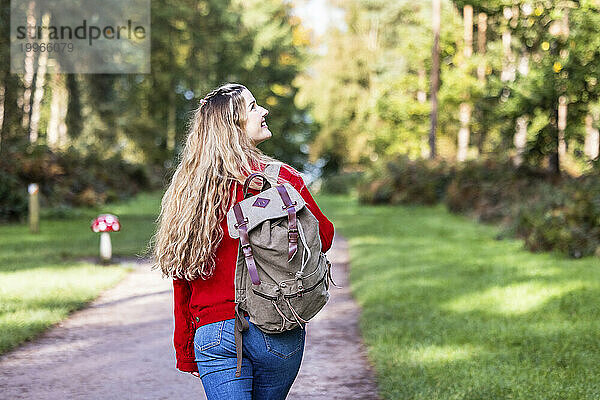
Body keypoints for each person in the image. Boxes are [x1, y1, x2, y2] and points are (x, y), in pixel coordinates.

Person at [151, 83, 335, 400]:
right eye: (253, 106)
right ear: (234, 123)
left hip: (213, 333)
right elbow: (324, 237)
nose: (263, 111)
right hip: (275, 326)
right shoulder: (280, 179)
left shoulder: (190, 191)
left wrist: (184, 347)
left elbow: (183, 276)